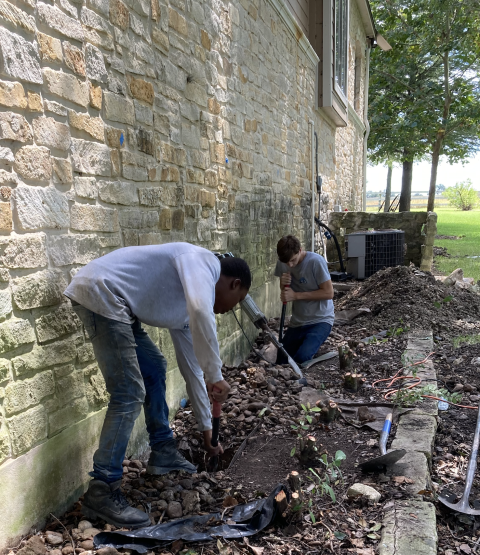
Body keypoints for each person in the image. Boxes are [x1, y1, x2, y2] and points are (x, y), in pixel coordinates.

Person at [64, 242, 251, 529]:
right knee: (128, 391)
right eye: (237, 301)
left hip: (119, 305)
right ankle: (103, 488)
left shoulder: (189, 304)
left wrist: (207, 432)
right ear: (234, 283)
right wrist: (216, 375)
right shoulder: (203, 262)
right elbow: (203, 310)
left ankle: (163, 451)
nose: (228, 311)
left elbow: (192, 372)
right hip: (103, 292)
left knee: (154, 368)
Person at [274, 235, 334, 364]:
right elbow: (285, 290)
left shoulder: (316, 262)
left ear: (300, 250)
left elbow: (329, 293)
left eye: (293, 260)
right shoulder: (283, 262)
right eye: (286, 262)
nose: (290, 265)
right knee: (282, 359)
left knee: (302, 358)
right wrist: (283, 285)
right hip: (298, 321)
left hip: (320, 320)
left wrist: (296, 296)